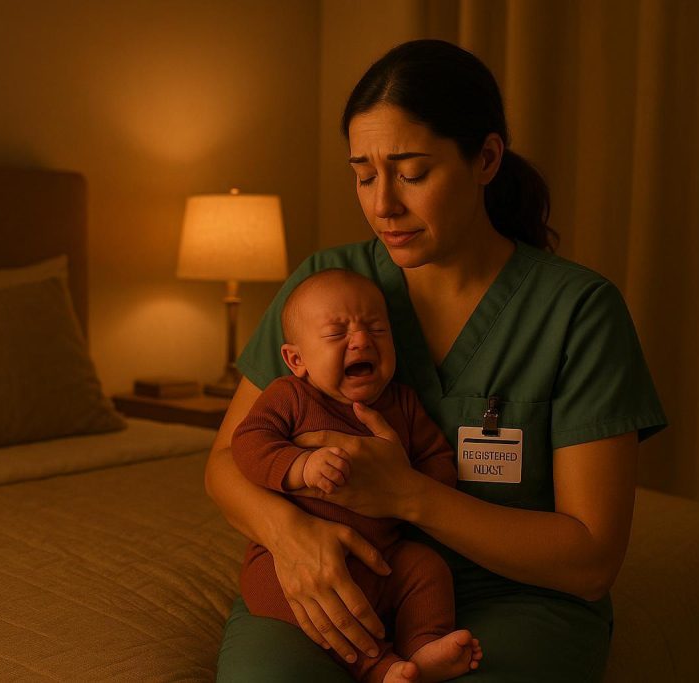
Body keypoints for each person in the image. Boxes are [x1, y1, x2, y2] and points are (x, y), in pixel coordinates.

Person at [206, 39, 667, 682]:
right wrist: (290, 535)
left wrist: (408, 495)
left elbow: (590, 560)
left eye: (412, 173)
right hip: (329, 573)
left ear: (485, 158)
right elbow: (226, 464)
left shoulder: (577, 312)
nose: (382, 204)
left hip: (514, 596)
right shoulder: (326, 288)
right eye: (363, 175)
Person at [232, 268, 481, 683]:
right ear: (297, 360)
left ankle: (423, 643)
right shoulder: (289, 396)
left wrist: (408, 480)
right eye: (336, 334)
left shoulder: (401, 403)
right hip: (291, 558)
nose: (362, 340)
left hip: (383, 556)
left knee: (427, 568)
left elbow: (439, 460)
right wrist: (298, 466)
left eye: (377, 330)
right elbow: (248, 443)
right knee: (268, 586)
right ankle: (378, 666)